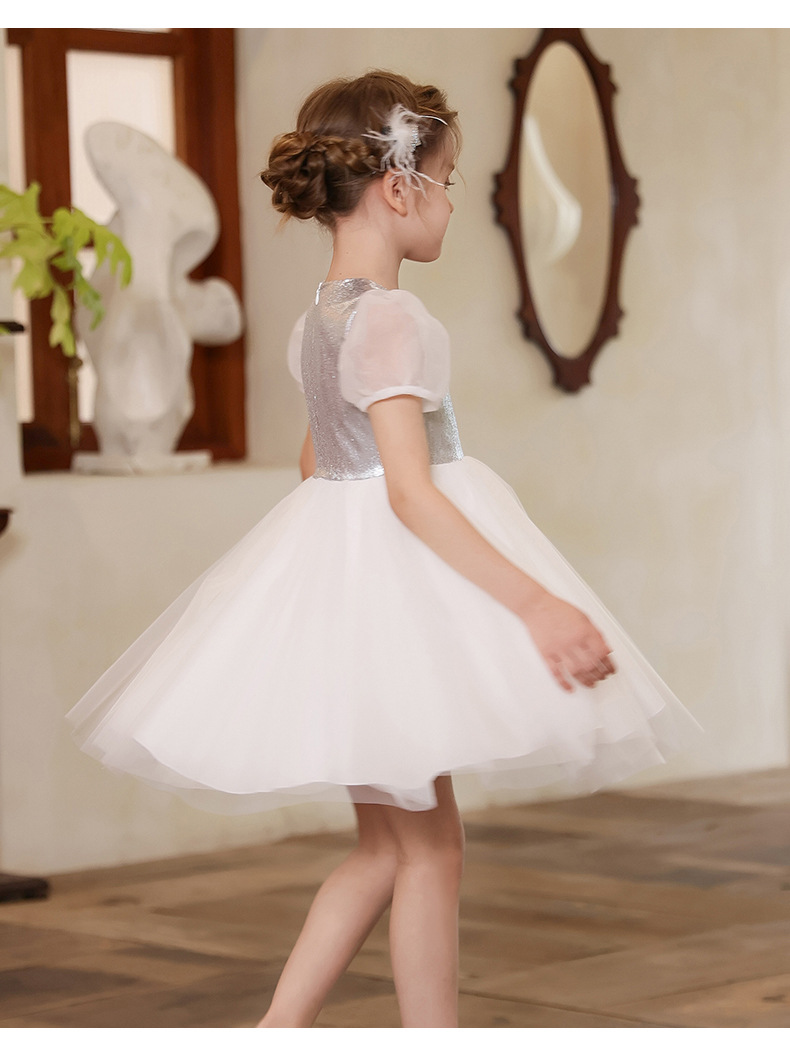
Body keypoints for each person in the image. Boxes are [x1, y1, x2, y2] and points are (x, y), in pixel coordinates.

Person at [68, 71, 700, 1028]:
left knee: (384, 850)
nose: (451, 203)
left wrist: (340, 576)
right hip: (395, 594)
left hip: (356, 596)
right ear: (401, 187)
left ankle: (276, 1029)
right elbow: (407, 489)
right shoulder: (395, 317)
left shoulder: (321, 316)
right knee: (433, 850)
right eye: (447, 181)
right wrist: (536, 604)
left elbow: (318, 461)